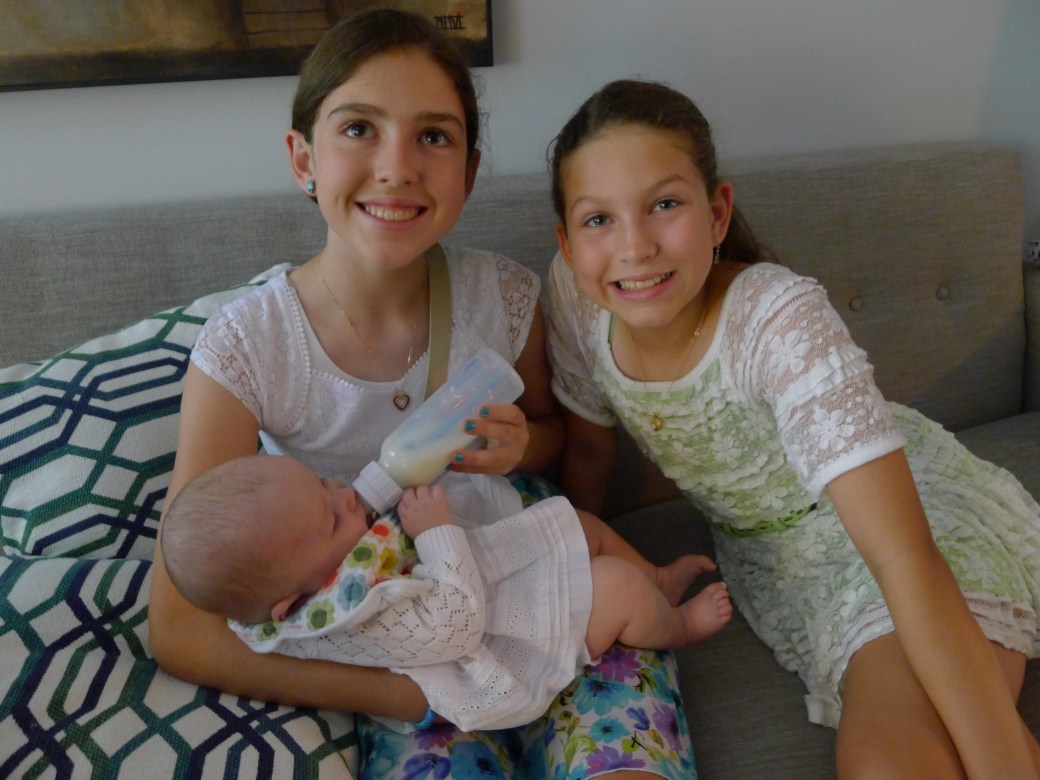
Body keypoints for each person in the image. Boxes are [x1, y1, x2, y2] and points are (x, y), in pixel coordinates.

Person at [148, 11, 701, 778]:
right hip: (405, 647)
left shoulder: (500, 297)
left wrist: (521, 444)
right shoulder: (249, 347)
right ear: (303, 158)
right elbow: (180, 630)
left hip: (543, 584)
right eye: (358, 129)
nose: (397, 167)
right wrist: (411, 695)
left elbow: (553, 435)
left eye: (433, 136)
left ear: (468, 174)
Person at [545, 78, 1040, 778]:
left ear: (717, 212)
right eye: (598, 219)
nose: (634, 247)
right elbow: (591, 449)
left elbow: (901, 556)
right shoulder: (575, 295)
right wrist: (566, 567)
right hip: (777, 565)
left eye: (664, 204)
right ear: (567, 244)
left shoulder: (776, 319)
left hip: (904, 524)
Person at [160, 454, 732, 733]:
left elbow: (358, 502)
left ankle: (658, 578)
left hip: (481, 581)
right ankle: (677, 625)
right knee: (617, 588)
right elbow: (455, 626)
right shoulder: (348, 617)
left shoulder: (307, 566)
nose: (346, 499)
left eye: (323, 485)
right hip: (492, 644)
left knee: (575, 524)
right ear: (292, 605)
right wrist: (434, 531)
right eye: (332, 517)